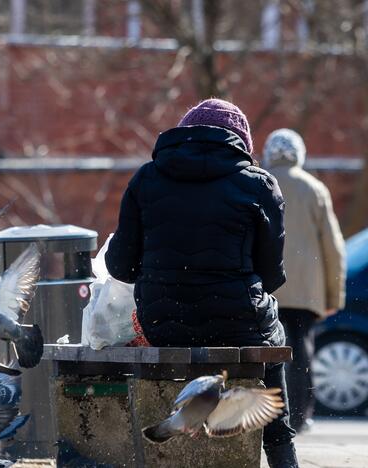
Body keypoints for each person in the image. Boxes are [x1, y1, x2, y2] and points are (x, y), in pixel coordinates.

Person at [105, 99, 298, 467]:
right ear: (240, 142)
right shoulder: (259, 184)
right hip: (239, 324)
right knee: (273, 332)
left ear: (185, 134)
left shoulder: (146, 178)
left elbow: (120, 267)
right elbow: (272, 277)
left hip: (163, 323)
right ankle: (280, 447)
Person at [263, 128, 346, 433]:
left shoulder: (259, 181)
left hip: (267, 287)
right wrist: (333, 296)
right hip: (306, 293)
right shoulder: (314, 189)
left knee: (267, 350)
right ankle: (300, 414)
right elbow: (333, 247)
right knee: (301, 350)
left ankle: (270, 413)